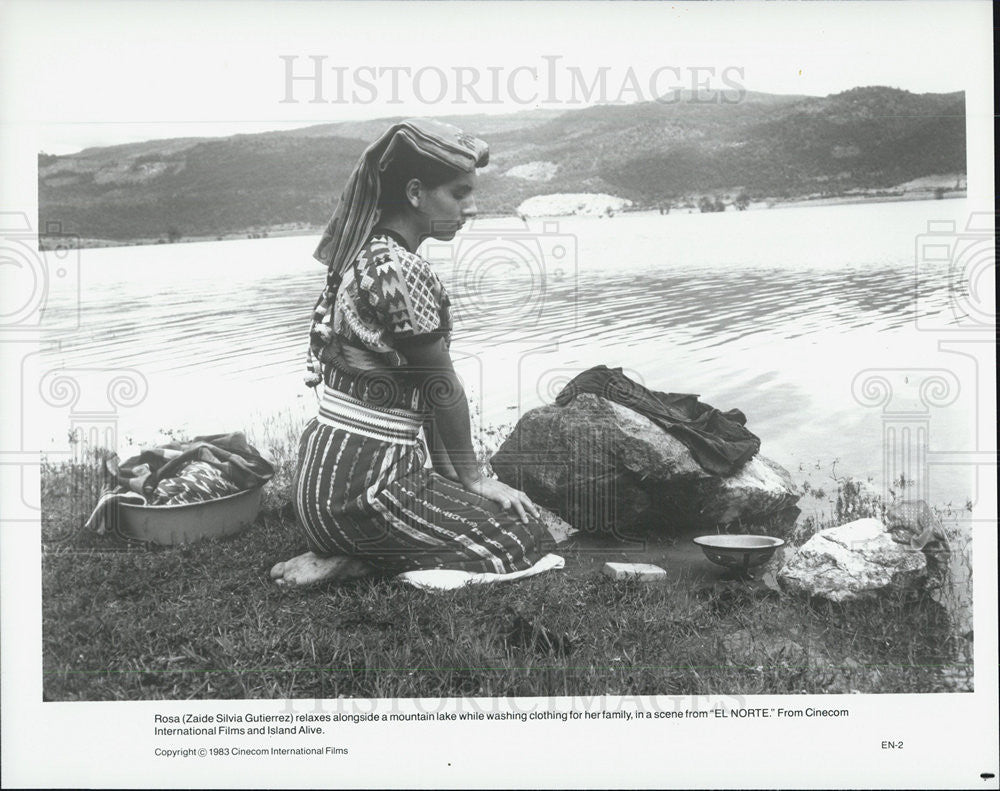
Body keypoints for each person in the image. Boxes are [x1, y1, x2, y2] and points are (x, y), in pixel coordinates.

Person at [271, 118, 561, 588]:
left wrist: (453, 478)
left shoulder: (368, 256)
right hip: (362, 491)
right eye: (459, 193)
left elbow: (419, 391)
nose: (471, 208)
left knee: (486, 510)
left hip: (323, 488)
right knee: (523, 537)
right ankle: (358, 560)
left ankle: (348, 550)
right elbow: (442, 386)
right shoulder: (400, 270)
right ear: (414, 193)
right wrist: (474, 479)